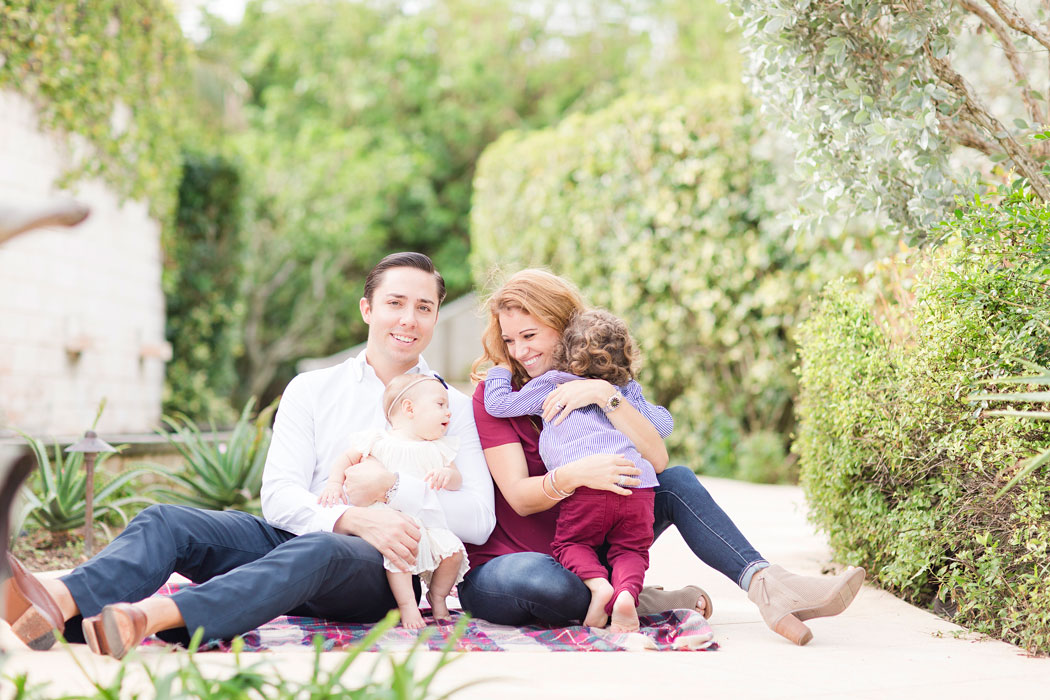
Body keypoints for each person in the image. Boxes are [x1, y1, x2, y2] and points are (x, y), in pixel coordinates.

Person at [0, 252, 495, 658]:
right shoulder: (312, 389)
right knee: (167, 521)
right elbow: (279, 497)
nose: (409, 319)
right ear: (367, 309)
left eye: (425, 307)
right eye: (396, 303)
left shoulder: (453, 404)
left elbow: (479, 520)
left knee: (319, 549)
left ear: (435, 317)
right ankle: (56, 603)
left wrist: (393, 491)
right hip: (298, 533)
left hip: (386, 571)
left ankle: (154, 617)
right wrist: (351, 517)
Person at [462, 269, 864, 646]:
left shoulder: (603, 381)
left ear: (565, 326)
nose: (520, 352)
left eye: (529, 335)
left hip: (591, 538)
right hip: (514, 563)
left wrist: (604, 395)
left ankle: (769, 586)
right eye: (510, 340)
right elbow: (519, 496)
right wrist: (578, 474)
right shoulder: (499, 400)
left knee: (677, 482)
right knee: (548, 585)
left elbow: (656, 459)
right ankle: (635, 597)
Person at [484, 308, 671, 633]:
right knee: (630, 549)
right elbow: (662, 425)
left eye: (528, 337)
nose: (518, 350)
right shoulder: (624, 390)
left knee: (572, 545)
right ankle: (627, 593)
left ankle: (600, 588)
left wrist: (499, 371)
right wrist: (615, 397)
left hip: (588, 490)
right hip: (636, 487)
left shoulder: (552, 384)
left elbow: (500, 404)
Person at [319, 373, 468, 628]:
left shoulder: (439, 447)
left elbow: (457, 479)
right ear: (409, 408)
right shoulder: (378, 440)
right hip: (388, 518)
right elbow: (346, 459)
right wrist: (334, 483)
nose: (448, 413)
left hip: (427, 522)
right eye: (440, 405)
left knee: (452, 553)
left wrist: (448, 475)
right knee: (399, 557)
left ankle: (438, 596)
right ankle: (408, 606)